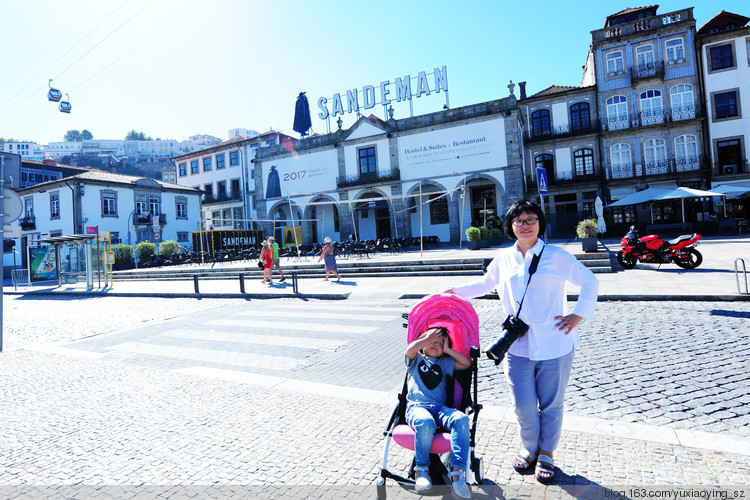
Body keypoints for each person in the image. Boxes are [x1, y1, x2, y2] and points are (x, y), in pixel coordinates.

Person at [446, 200, 599, 484]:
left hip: (555, 343)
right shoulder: (503, 258)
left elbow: (590, 281)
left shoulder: (556, 256)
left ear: (540, 223)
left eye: (531, 219)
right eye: (519, 221)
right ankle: (529, 448)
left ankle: (546, 454)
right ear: (510, 226)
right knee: (523, 405)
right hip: (516, 346)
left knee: (551, 404)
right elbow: (483, 285)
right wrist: (452, 293)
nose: (525, 225)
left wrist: (578, 315)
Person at [406, 327, 472, 499]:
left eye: (439, 342)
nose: (434, 344)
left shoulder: (444, 362)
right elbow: (410, 350)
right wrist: (426, 339)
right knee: (425, 421)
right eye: (430, 341)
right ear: (423, 343)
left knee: (461, 418)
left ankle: (457, 473)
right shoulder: (416, 359)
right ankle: (421, 470)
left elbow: (466, 364)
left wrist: (448, 350)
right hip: (417, 407)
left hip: (439, 408)